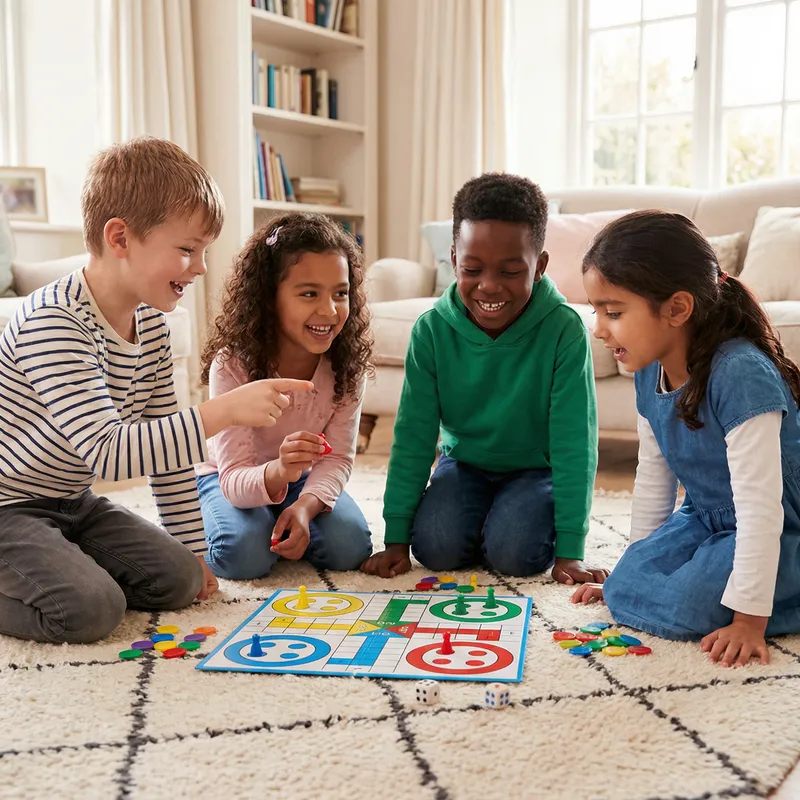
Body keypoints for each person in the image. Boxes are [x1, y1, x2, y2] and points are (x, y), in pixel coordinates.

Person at [0, 137, 313, 645]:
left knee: (180, 579)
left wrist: (193, 551)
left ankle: (62, 560)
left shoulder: (152, 327)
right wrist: (221, 413)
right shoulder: (53, 322)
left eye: (204, 251)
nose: (201, 267)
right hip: (9, 506)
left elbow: (168, 457)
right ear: (120, 237)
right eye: (187, 249)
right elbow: (108, 452)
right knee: (91, 610)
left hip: (73, 501)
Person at [571, 210, 800, 668]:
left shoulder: (740, 373)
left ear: (677, 308)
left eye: (613, 313)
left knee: (689, 605)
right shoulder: (647, 371)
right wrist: (635, 565)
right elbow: (654, 477)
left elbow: (761, 509)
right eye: (597, 312)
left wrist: (748, 620)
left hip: (780, 524)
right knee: (625, 584)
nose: (598, 329)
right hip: (709, 518)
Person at [361, 172, 607, 583]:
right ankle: (486, 520)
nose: (489, 287)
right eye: (472, 269)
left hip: (535, 469)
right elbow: (413, 437)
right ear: (454, 260)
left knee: (515, 554)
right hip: (464, 464)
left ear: (540, 266)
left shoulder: (564, 330)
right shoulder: (431, 331)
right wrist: (397, 539)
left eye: (510, 272)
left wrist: (570, 552)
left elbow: (574, 443)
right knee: (435, 548)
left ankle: (508, 520)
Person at [196, 213, 373, 579]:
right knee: (243, 556)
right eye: (309, 294)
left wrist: (305, 507)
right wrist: (278, 471)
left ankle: (281, 518)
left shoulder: (346, 367)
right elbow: (234, 478)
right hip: (227, 477)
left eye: (340, 293)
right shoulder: (232, 366)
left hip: (298, 479)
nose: (329, 310)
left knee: (351, 547)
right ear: (268, 297)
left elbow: (337, 458)